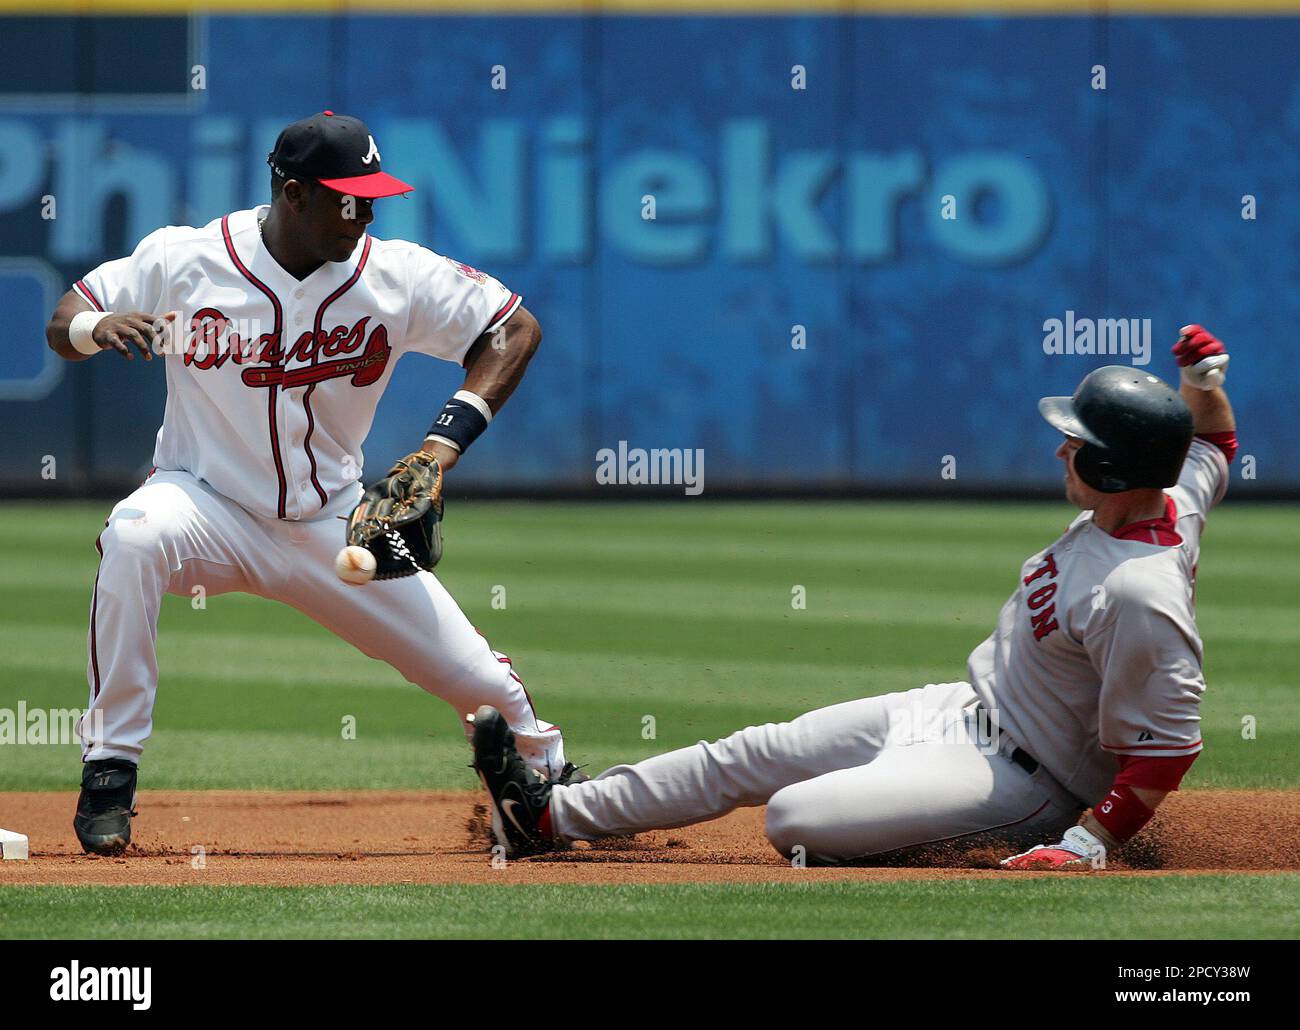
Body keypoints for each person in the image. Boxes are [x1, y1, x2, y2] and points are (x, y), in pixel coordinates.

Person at [470, 329, 1237, 869]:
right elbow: (1210, 449)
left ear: (1113, 465)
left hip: (1027, 783)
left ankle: (976, 835)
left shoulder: (1140, 591)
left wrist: (1089, 844)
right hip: (962, 710)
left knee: (795, 819)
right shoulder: (1167, 498)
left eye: (1078, 440)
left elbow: (1168, 744)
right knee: (749, 753)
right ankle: (545, 816)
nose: (1060, 448)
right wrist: (1201, 387)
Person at [45, 111, 575, 855]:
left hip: (335, 525)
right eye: (345, 198)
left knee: (486, 688)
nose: (362, 214)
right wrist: (93, 330)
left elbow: (513, 329)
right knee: (133, 536)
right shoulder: (187, 258)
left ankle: (556, 797)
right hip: (204, 505)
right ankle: (110, 768)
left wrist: (438, 449)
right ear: (292, 194)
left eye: (372, 198)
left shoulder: (396, 275)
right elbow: (67, 314)